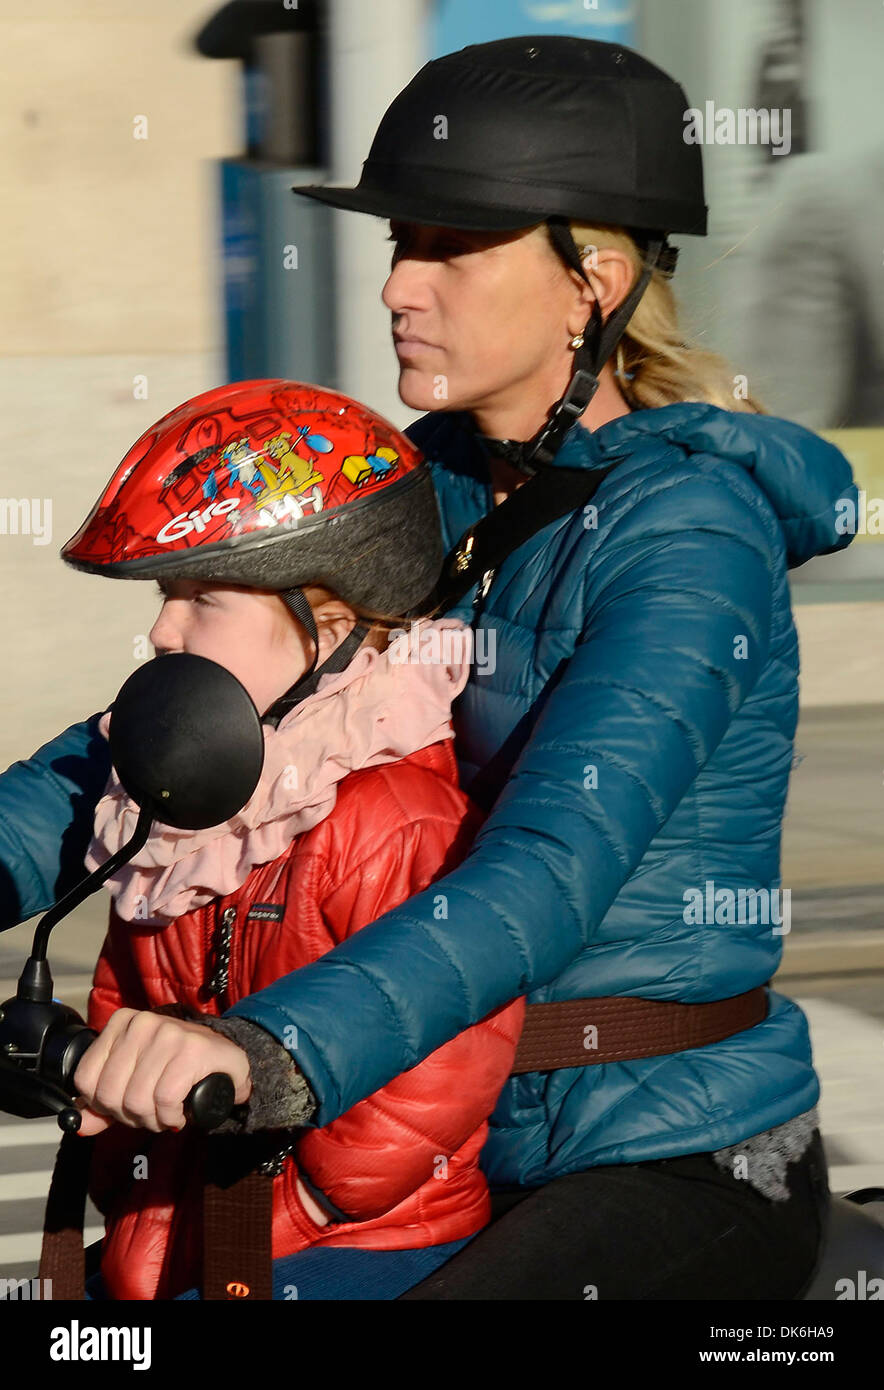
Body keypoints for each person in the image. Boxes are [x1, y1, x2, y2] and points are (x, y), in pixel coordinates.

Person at [0, 37, 857, 1298]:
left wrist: (268, 1044)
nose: (399, 286)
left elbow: (549, 872)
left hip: (661, 1148)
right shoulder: (427, 488)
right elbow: (188, 719)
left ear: (593, 286)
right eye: (401, 242)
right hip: (426, 1142)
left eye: (449, 249)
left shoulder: (689, 541)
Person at [49, 379, 524, 1300]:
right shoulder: (181, 804)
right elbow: (125, 1000)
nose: (160, 628)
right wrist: (92, 1093)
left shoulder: (391, 818)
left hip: (354, 1244)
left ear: (335, 627)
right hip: (187, 1224)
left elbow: (433, 1080)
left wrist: (292, 1196)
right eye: (163, 596)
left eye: (201, 598)